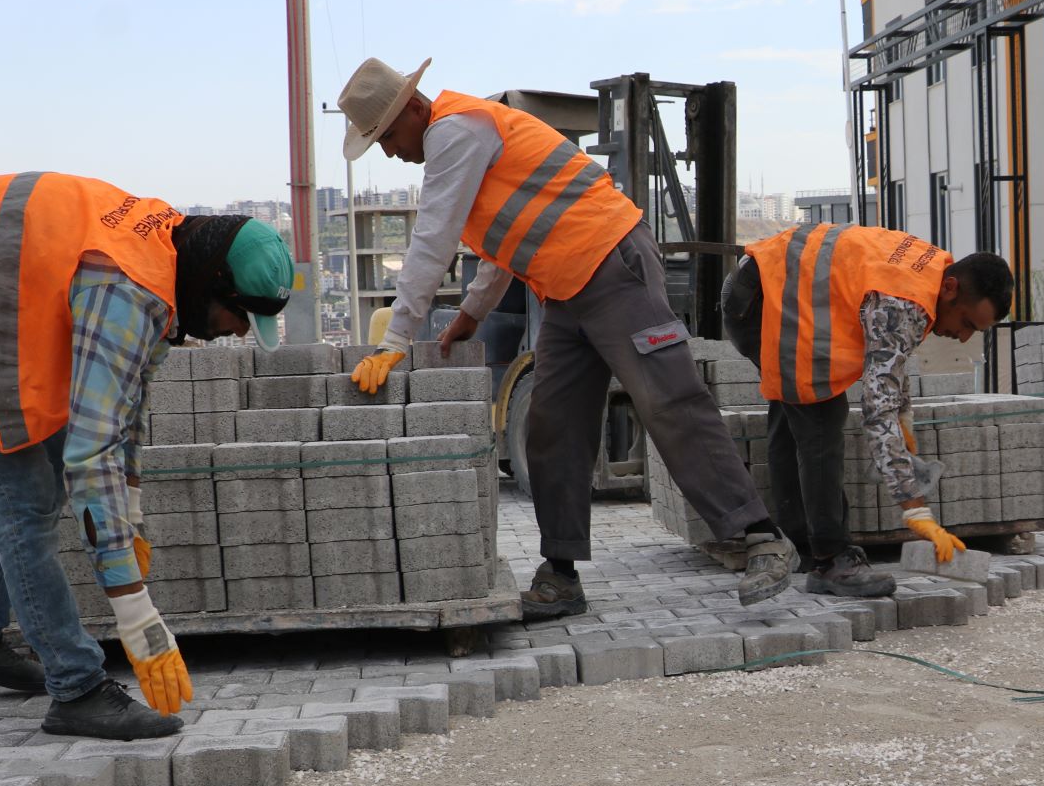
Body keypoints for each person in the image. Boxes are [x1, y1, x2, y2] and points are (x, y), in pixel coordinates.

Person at [336, 56, 795, 616]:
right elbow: (505, 237)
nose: (389, 151)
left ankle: (760, 537)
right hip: (564, 288)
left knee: (668, 399)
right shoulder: (464, 138)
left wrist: (394, 342)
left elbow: (432, 239)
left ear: (413, 107)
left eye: (386, 136)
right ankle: (560, 574)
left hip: (611, 262)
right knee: (553, 426)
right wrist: (474, 313)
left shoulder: (454, 131)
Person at [0, 172, 293, 740]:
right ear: (213, 285)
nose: (238, 332)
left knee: (43, 481)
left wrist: (132, 513)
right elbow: (92, 452)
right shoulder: (127, 290)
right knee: (22, 501)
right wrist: (136, 613)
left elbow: (127, 406)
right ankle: (77, 689)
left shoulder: (169, 261)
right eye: (241, 317)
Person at [721, 224, 1013, 594]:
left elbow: (892, 352)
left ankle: (799, 544)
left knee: (792, 407)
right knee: (821, 418)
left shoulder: (931, 271)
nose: (964, 336)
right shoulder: (905, 301)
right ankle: (831, 560)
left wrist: (903, 414)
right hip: (765, 299)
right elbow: (877, 410)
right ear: (952, 288)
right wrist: (915, 508)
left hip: (767, 285)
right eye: (968, 323)